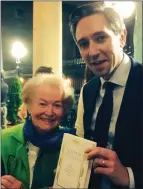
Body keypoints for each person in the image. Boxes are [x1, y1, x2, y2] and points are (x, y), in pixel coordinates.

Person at [69, 2, 142, 189]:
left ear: (122, 37)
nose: (92, 52)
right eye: (84, 44)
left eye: (101, 38)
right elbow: (83, 142)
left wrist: (129, 176)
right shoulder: (88, 90)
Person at [1, 74, 76, 189]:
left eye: (57, 105)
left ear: (64, 109)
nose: (49, 112)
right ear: (29, 106)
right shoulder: (4, 140)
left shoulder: (72, 147)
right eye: (42, 104)